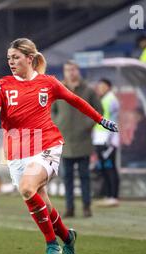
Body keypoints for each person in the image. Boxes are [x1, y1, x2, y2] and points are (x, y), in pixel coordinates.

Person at [0, 38, 118, 254]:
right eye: (9, 58)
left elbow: (76, 101)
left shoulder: (49, 83)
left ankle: (50, 244)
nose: (11, 62)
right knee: (39, 200)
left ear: (29, 58)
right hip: (17, 152)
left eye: (15, 57)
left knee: (27, 188)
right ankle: (67, 237)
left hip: (47, 144)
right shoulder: (3, 85)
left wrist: (100, 119)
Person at [52, 60, 103, 218]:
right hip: (65, 141)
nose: (71, 72)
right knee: (67, 177)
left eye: (73, 69)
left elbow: (98, 110)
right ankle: (69, 208)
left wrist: (87, 126)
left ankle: (87, 207)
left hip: (83, 140)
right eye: (68, 70)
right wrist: (57, 124)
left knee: (84, 176)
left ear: (78, 71)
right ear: (64, 71)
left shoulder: (88, 90)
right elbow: (50, 110)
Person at [93, 78, 120, 207]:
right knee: (104, 168)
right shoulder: (102, 100)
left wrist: (110, 140)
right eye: (99, 86)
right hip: (99, 139)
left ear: (108, 87)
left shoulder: (112, 100)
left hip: (107, 140)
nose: (100, 88)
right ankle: (108, 195)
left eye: (102, 86)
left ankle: (114, 196)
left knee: (110, 168)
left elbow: (114, 120)